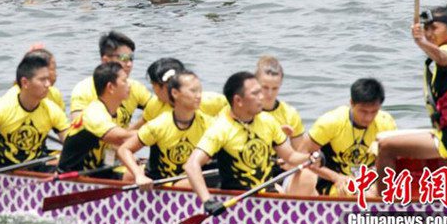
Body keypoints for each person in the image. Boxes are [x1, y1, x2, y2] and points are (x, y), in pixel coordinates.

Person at [375, 0, 447, 190]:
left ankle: (382, 207)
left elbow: (443, 58)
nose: (429, 33)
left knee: (386, 147)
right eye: (426, 29)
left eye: (434, 28)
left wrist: (420, 42)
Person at [185, 72, 320, 210]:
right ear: (238, 100)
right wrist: (207, 201)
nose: (262, 97)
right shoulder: (220, 129)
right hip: (237, 200)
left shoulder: (268, 121)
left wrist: (310, 157)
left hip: (267, 195)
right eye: (255, 94)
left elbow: (290, 156)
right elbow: (192, 165)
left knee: (308, 175)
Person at [0, 51, 70, 179]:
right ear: (25, 83)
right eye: (42, 80)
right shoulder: (0, 109)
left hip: (38, 169)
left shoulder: (52, 110)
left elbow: (71, 143)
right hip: (3, 172)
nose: (48, 84)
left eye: (48, 79)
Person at [288, 78, 396, 196]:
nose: (368, 118)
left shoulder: (386, 123)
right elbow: (301, 156)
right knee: (306, 176)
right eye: (363, 111)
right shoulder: (331, 122)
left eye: (374, 112)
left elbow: (391, 161)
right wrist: (336, 177)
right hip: (332, 180)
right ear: (351, 103)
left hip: (367, 180)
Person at [117, 70, 214, 189]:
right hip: (160, 180)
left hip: (190, 178)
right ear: (175, 93)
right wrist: (138, 175)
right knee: (129, 176)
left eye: (199, 90)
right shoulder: (158, 125)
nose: (198, 95)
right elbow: (124, 149)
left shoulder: (208, 123)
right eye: (193, 91)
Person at [58, 62, 135, 175]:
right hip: (72, 177)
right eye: (124, 81)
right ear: (110, 87)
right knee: (135, 175)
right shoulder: (94, 113)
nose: (129, 85)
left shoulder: (115, 112)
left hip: (97, 170)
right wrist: (155, 133)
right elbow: (121, 138)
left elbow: (116, 145)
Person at [69, 31, 151, 128]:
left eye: (131, 58)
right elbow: (78, 128)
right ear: (105, 61)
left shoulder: (135, 87)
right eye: (124, 58)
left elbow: (160, 108)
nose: (129, 64)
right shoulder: (83, 90)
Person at [135, 58, 228, 129]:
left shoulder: (211, 101)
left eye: (153, 85)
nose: (154, 90)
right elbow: (136, 131)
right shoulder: (155, 106)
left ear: (166, 87)